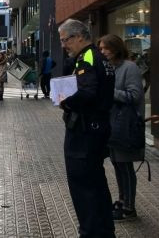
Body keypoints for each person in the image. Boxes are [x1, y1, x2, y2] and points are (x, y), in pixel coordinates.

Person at [58, 19, 115, 238]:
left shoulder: (89, 57)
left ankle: (91, 232)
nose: (63, 45)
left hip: (85, 132)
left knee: (83, 188)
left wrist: (66, 102)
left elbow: (88, 93)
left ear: (79, 36)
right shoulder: (100, 58)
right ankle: (104, 232)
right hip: (96, 129)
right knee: (97, 185)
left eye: (65, 40)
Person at [99, 34, 144, 221]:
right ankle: (122, 200)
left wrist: (109, 91)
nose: (102, 52)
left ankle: (129, 207)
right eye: (100, 49)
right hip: (112, 124)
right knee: (118, 165)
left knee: (125, 167)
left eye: (105, 48)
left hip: (125, 125)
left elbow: (134, 95)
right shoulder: (109, 67)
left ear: (116, 48)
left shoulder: (129, 67)